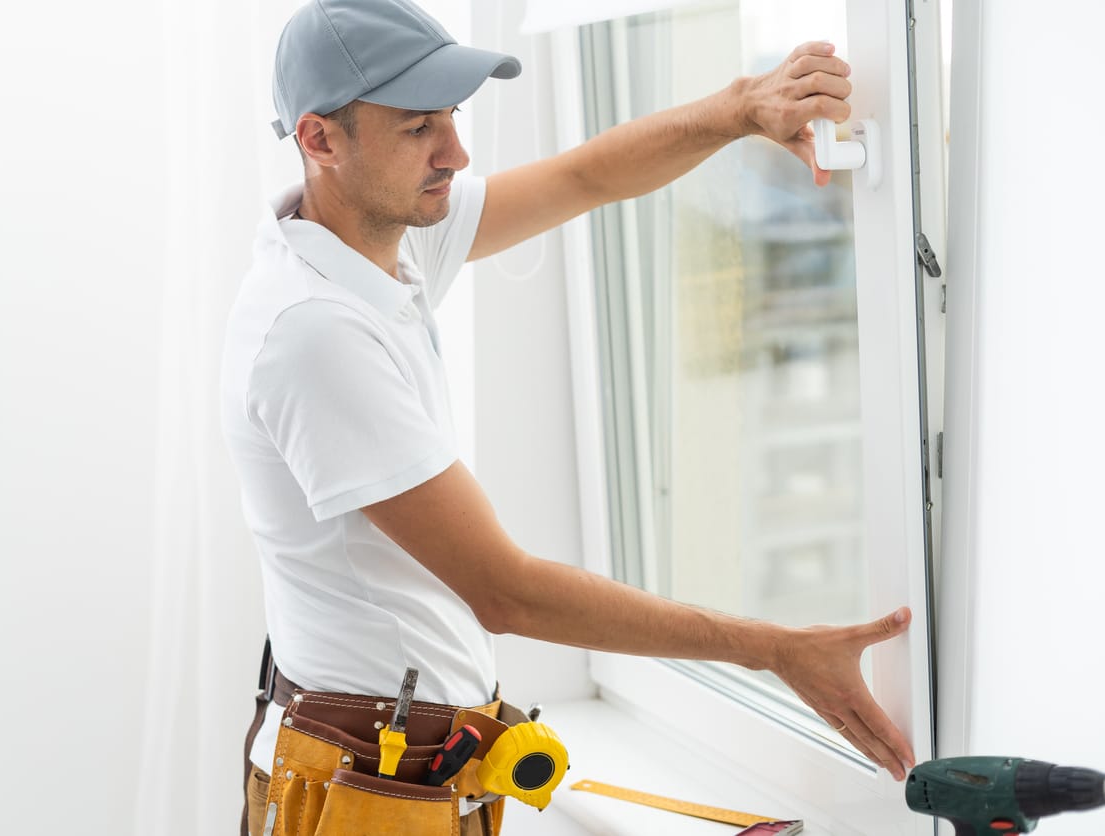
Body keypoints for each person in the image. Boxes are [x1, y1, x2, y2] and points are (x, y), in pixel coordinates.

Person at [222, 1, 916, 833]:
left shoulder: (377, 240)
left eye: (452, 117)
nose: (455, 152)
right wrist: (774, 650)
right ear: (320, 140)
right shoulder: (314, 331)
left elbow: (584, 176)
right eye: (417, 129)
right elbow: (506, 592)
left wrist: (740, 109)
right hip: (360, 795)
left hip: (417, 771)